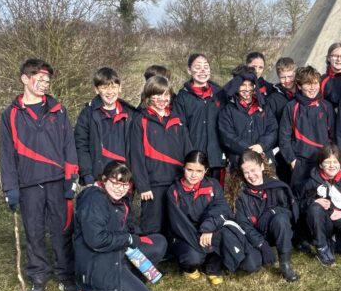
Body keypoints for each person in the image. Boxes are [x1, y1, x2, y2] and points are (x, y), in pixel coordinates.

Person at [0, 58, 79, 291]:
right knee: (33, 232)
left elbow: (69, 146)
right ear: (25, 79)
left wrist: (71, 178)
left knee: (62, 231)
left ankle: (66, 276)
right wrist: (10, 188)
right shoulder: (10, 115)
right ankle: (38, 277)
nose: (44, 84)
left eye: (47, 80)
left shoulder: (58, 109)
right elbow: (6, 153)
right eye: (40, 79)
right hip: (28, 185)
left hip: (57, 182)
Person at [74, 162, 168, 291]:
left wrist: (135, 237)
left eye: (125, 184)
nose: (121, 188)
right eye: (116, 183)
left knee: (159, 242)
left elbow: (129, 225)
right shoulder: (94, 200)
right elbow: (96, 240)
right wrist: (129, 239)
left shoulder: (120, 198)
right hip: (99, 263)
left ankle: (129, 280)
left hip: (117, 252)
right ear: (104, 180)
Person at [165, 151, 247, 283]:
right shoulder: (173, 191)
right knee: (194, 257)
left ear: (205, 170)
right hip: (184, 235)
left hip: (206, 230)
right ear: (183, 168)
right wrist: (203, 244)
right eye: (189, 169)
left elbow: (221, 208)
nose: (193, 175)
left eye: (199, 171)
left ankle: (212, 268)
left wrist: (208, 229)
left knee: (225, 233)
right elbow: (179, 225)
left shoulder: (213, 185)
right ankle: (189, 268)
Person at [128, 74, 191, 235]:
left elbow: (188, 150)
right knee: (152, 225)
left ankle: (172, 254)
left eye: (166, 94)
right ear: (148, 97)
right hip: (153, 184)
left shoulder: (177, 118)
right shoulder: (139, 120)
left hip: (177, 181)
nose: (162, 99)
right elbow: (136, 156)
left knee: (174, 223)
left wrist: (190, 178)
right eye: (157, 95)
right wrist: (143, 186)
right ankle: (152, 256)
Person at [233, 150, 299, 282]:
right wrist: (260, 243)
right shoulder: (241, 194)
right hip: (254, 236)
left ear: (262, 166)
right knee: (250, 265)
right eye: (246, 172)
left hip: (275, 231)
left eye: (253, 170)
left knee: (280, 219)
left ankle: (285, 263)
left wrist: (272, 212)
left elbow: (289, 212)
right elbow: (243, 224)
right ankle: (261, 252)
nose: (251, 175)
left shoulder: (277, 186)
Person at [298, 145, 341, 266]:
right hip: (322, 221)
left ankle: (333, 243)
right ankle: (322, 247)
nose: (331, 165)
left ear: (340, 163)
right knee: (315, 208)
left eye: (335, 161)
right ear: (320, 165)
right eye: (327, 162)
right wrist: (312, 202)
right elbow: (298, 205)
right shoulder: (311, 181)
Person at [74, 66, 136, 186]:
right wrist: (88, 177)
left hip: (125, 179)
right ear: (96, 90)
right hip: (98, 179)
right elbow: (81, 146)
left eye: (113, 87)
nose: (110, 92)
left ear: (120, 88)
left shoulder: (131, 114)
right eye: (104, 87)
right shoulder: (87, 114)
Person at [173, 53, 227, 183]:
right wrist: (189, 153)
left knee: (215, 193)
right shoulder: (182, 97)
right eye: (197, 67)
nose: (202, 71)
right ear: (189, 70)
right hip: (194, 157)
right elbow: (180, 130)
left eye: (206, 67)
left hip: (217, 157)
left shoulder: (220, 94)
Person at [279, 65, 335, 189]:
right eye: (308, 84)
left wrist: (332, 160)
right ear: (299, 86)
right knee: (301, 201)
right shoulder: (291, 107)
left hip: (323, 162)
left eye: (315, 83)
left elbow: (334, 136)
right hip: (300, 164)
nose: (312, 88)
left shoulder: (327, 107)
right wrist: (292, 161)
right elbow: (284, 138)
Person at [218, 68, 278, 170]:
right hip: (240, 161)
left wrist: (261, 145)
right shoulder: (228, 110)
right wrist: (249, 150)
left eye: (250, 85)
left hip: (264, 159)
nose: (247, 89)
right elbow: (227, 137)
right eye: (242, 85)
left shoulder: (264, 106)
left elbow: (272, 129)